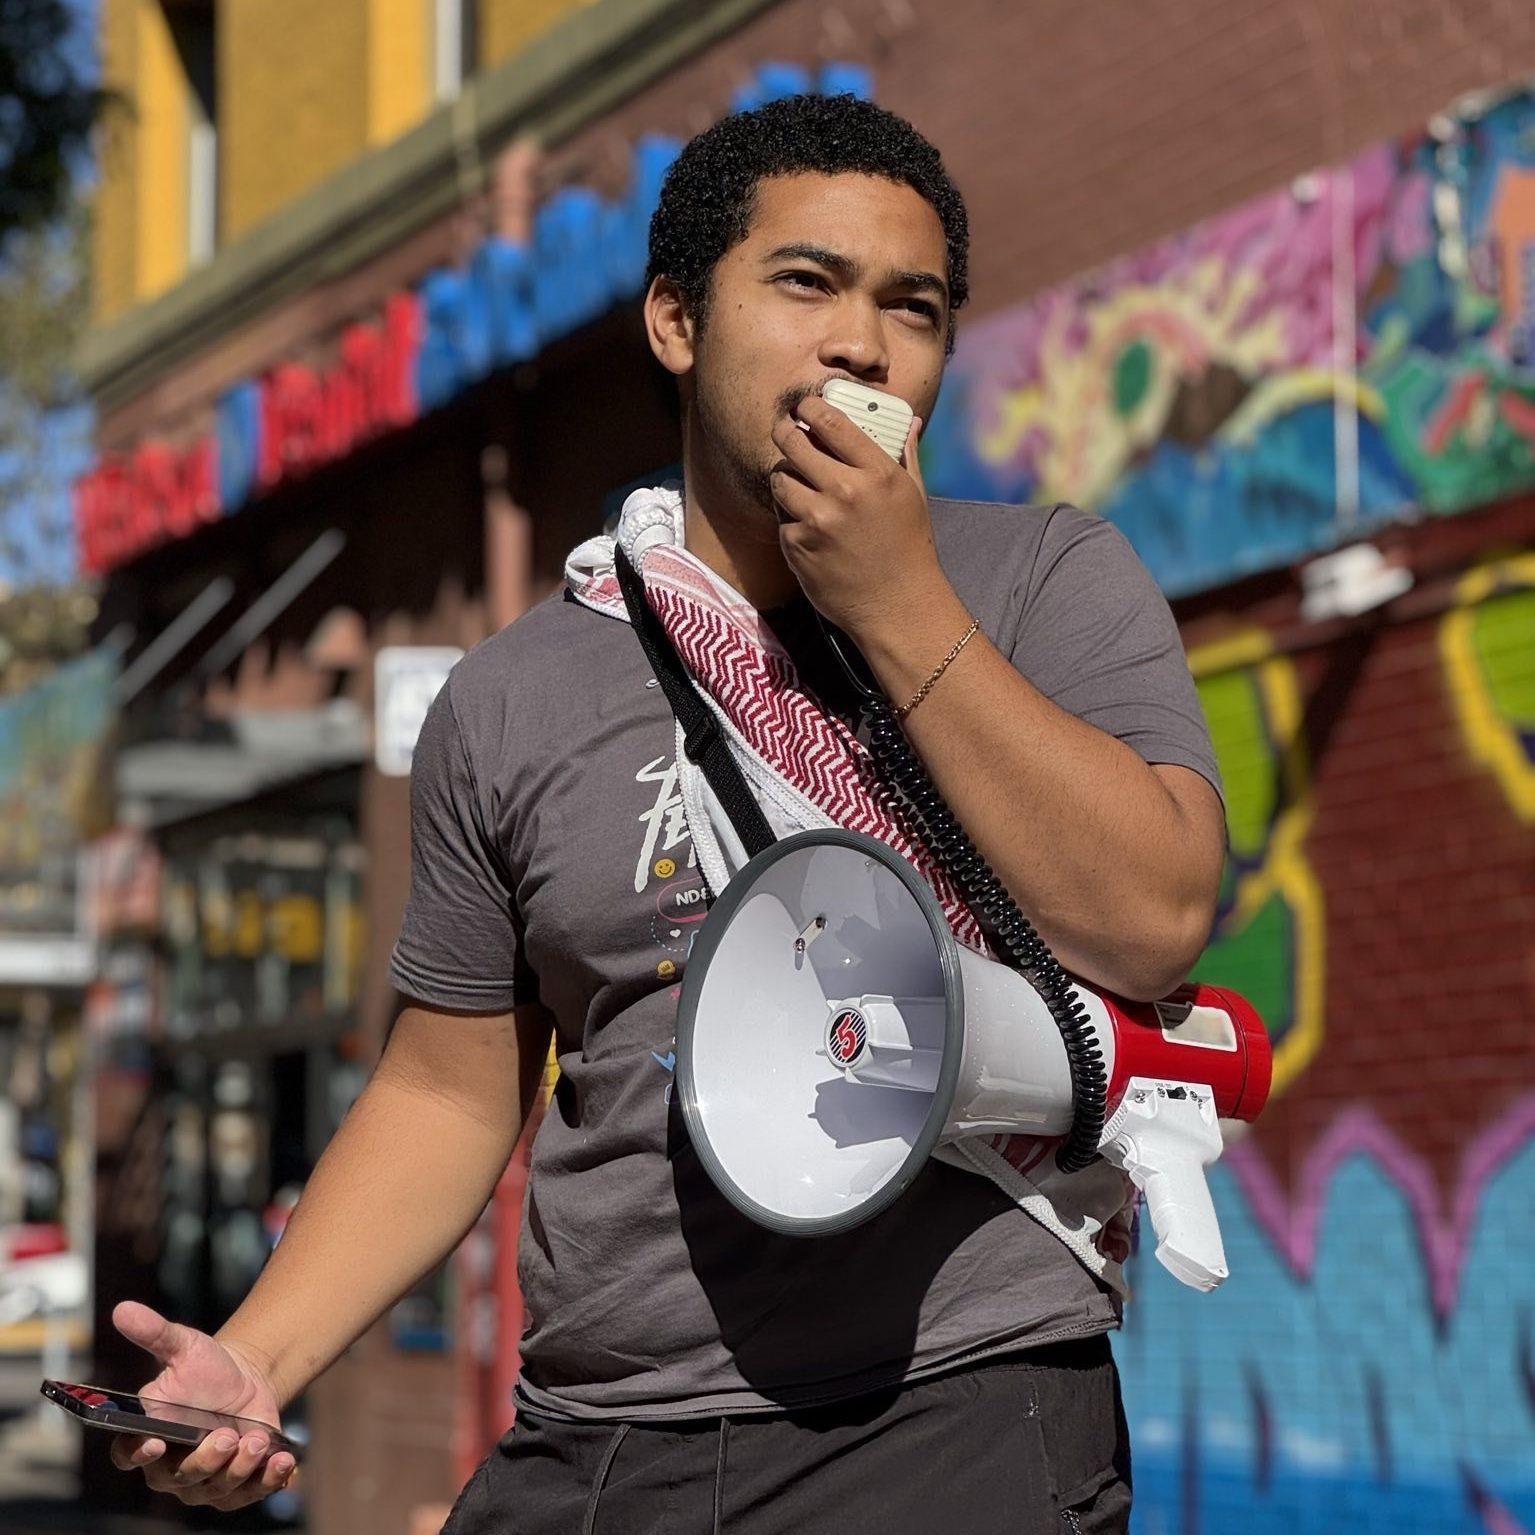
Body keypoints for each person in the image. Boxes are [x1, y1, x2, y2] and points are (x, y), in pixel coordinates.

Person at [110, 94, 1225, 1531]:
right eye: (806, 282)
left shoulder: (1044, 584)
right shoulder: (510, 699)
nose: (861, 344)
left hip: (950, 1412)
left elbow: (1150, 920)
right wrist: (257, 1357)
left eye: (915, 307)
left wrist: (892, 603)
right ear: (676, 321)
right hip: (596, 1441)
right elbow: (451, 1089)